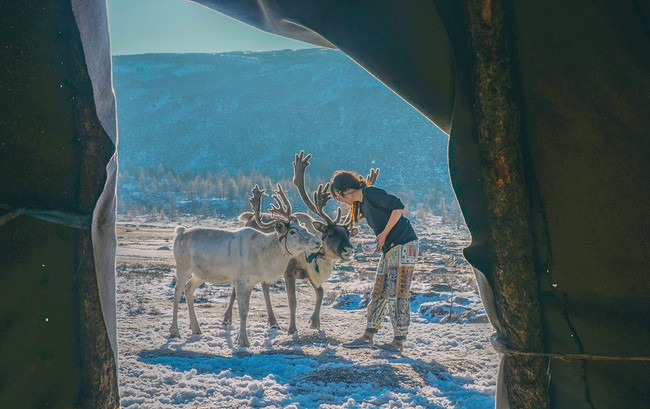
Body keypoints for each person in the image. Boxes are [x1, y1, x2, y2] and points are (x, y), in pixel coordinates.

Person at [330, 170, 419, 353]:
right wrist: (380, 242)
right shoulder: (362, 204)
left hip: (404, 244)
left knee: (397, 291)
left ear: (345, 190)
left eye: (338, 197)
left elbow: (398, 207)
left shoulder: (371, 193)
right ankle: (368, 335)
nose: (340, 201)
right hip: (391, 247)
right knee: (379, 291)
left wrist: (384, 234)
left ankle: (398, 341)